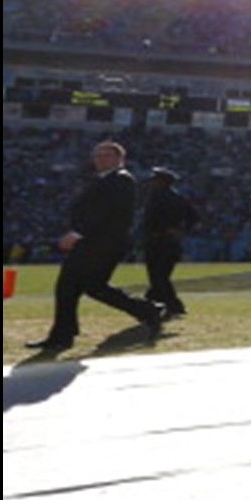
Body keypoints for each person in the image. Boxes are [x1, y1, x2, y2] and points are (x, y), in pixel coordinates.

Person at [24, 140, 166, 350]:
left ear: (119, 159)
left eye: (106, 155)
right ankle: (147, 310)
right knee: (92, 287)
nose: (100, 159)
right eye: (98, 155)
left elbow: (104, 212)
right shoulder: (105, 179)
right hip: (96, 243)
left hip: (100, 244)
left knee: (69, 287)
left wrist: (76, 233)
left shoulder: (121, 180)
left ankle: (62, 336)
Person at [141, 166, 199, 318]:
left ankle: (172, 305)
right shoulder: (178, 197)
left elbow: (149, 221)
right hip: (171, 242)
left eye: (155, 179)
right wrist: (180, 230)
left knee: (158, 276)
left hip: (157, 242)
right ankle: (153, 302)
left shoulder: (156, 197)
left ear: (161, 181)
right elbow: (194, 218)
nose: (152, 182)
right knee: (161, 276)